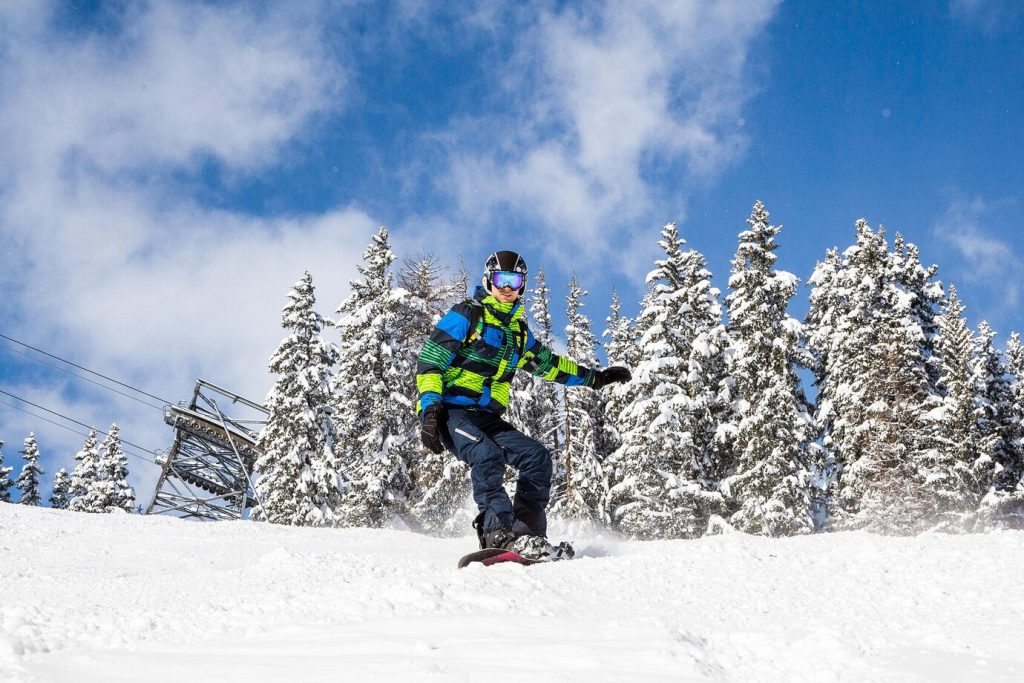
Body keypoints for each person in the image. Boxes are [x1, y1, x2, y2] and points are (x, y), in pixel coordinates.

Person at [415, 250, 632, 556]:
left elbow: (550, 365)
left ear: (522, 286)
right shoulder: (467, 315)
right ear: (489, 280)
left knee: (537, 457)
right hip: (451, 412)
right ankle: (496, 533)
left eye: (515, 281)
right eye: (502, 279)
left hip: (486, 416)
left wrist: (595, 379)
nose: (508, 287)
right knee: (486, 454)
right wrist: (430, 410)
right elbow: (431, 360)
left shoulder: (517, 334)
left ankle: (526, 535)